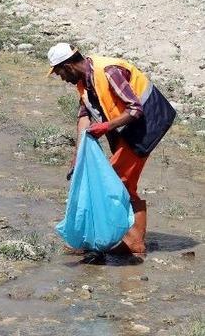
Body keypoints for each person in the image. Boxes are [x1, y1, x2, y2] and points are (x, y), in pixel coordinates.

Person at [47, 43, 176, 255]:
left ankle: (133, 242)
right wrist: (77, 156)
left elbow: (135, 108)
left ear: (68, 66)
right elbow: (84, 118)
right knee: (122, 180)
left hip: (149, 122)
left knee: (114, 179)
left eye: (59, 73)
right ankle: (126, 237)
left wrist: (106, 126)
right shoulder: (84, 82)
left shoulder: (109, 71)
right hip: (126, 127)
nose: (61, 78)